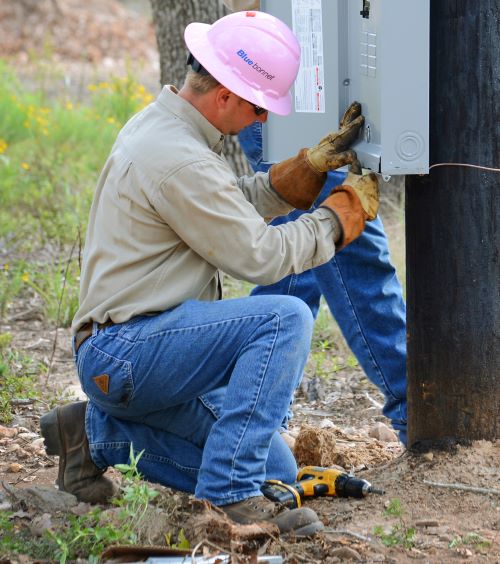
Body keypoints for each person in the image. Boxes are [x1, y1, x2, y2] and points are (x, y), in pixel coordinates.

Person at [40, 10, 379, 536]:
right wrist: (336, 221)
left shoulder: (169, 128)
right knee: (283, 318)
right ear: (225, 96)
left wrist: (301, 174)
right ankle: (228, 493)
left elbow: (218, 204)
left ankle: (91, 436)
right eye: (259, 107)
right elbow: (260, 257)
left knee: (279, 471)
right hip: (129, 352)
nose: (263, 120)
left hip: (136, 349)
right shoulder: (179, 158)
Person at [224, 0, 407, 445]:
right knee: (354, 249)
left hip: (325, 78)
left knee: (294, 274)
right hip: (290, 88)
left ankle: (253, 421)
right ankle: (417, 409)